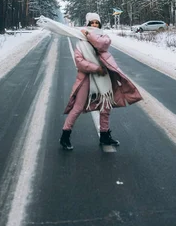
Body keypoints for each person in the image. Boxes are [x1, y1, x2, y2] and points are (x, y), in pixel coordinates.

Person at [59, 12, 142, 151]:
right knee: (78, 107)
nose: (95, 25)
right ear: (88, 24)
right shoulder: (81, 43)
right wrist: (96, 68)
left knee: (106, 106)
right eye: (92, 23)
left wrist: (89, 35)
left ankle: (104, 136)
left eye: (97, 22)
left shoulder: (104, 38)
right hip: (86, 78)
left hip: (104, 77)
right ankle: (65, 136)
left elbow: (101, 44)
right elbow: (79, 62)